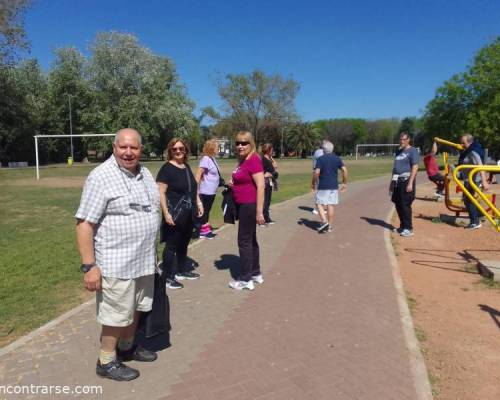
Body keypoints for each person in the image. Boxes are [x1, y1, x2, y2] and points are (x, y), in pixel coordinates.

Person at [75, 128, 160, 381]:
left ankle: (126, 348)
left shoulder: (145, 173)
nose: (128, 152)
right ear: (114, 148)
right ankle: (106, 360)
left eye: (134, 147)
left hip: (144, 260)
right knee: (115, 313)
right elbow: (84, 224)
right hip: (116, 263)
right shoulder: (100, 177)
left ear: (140, 150)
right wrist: (89, 266)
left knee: (136, 307)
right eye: (123, 147)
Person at [157, 138, 204, 289]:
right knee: (171, 245)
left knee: (184, 243)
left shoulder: (186, 167)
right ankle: (167, 277)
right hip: (174, 213)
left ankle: (182, 270)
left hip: (188, 213)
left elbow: (192, 188)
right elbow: (161, 192)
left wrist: (198, 202)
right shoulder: (166, 168)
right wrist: (166, 213)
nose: (178, 151)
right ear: (170, 151)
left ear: (186, 150)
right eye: (174, 149)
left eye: (181, 149)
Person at [228, 131, 265, 290]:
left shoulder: (254, 160)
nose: (240, 146)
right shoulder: (244, 161)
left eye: (244, 143)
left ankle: (245, 279)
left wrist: (259, 211)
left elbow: (261, 186)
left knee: (244, 241)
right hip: (243, 205)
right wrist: (233, 182)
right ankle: (255, 273)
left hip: (249, 206)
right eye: (238, 143)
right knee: (250, 240)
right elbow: (244, 180)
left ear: (251, 144)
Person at [313, 141, 347, 233]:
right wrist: (344, 182)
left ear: (323, 150)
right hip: (334, 186)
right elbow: (344, 170)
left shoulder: (320, 159)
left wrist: (313, 183)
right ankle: (329, 226)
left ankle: (324, 222)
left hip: (323, 185)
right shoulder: (337, 158)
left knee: (318, 203)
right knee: (330, 205)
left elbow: (316, 172)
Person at [390, 132, 420, 237]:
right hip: (397, 181)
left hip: (406, 180)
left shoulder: (413, 151)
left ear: (408, 140)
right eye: (400, 139)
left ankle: (409, 228)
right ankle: (402, 226)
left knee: (405, 204)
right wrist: (392, 183)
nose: (401, 141)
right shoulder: (398, 151)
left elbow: (415, 167)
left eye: (403, 139)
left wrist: (410, 183)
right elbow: (395, 168)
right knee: (397, 203)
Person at [457, 134, 489, 229]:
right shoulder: (467, 151)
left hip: (474, 180)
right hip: (468, 180)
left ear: (470, 142)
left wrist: (484, 181)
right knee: (467, 200)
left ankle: (475, 222)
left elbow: (480, 166)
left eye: (463, 143)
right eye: (461, 142)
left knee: (469, 200)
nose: (461, 145)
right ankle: (480, 215)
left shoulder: (473, 152)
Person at [195, 139, 222, 239]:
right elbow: (198, 176)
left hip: (212, 191)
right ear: (211, 148)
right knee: (204, 211)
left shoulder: (212, 159)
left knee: (207, 211)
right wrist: (196, 191)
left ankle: (204, 229)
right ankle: (203, 232)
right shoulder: (206, 159)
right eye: (217, 147)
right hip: (205, 191)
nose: (218, 149)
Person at [261, 143, 278, 225]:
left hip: (270, 182)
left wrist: (271, 157)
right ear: (268, 150)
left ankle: (266, 218)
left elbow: (275, 166)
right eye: (272, 150)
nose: (273, 151)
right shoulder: (263, 160)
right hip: (265, 183)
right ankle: (264, 219)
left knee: (268, 201)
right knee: (265, 201)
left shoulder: (269, 159)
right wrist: (266, 175)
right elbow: (260, 172)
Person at [311, 141, 326, 215]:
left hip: (318, 172)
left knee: (322, 190)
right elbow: (322, 163)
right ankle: (316, 209)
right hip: (318, 173)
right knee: (320, 191)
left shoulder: (318, 151)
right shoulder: (320, 152)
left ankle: (321, 207)